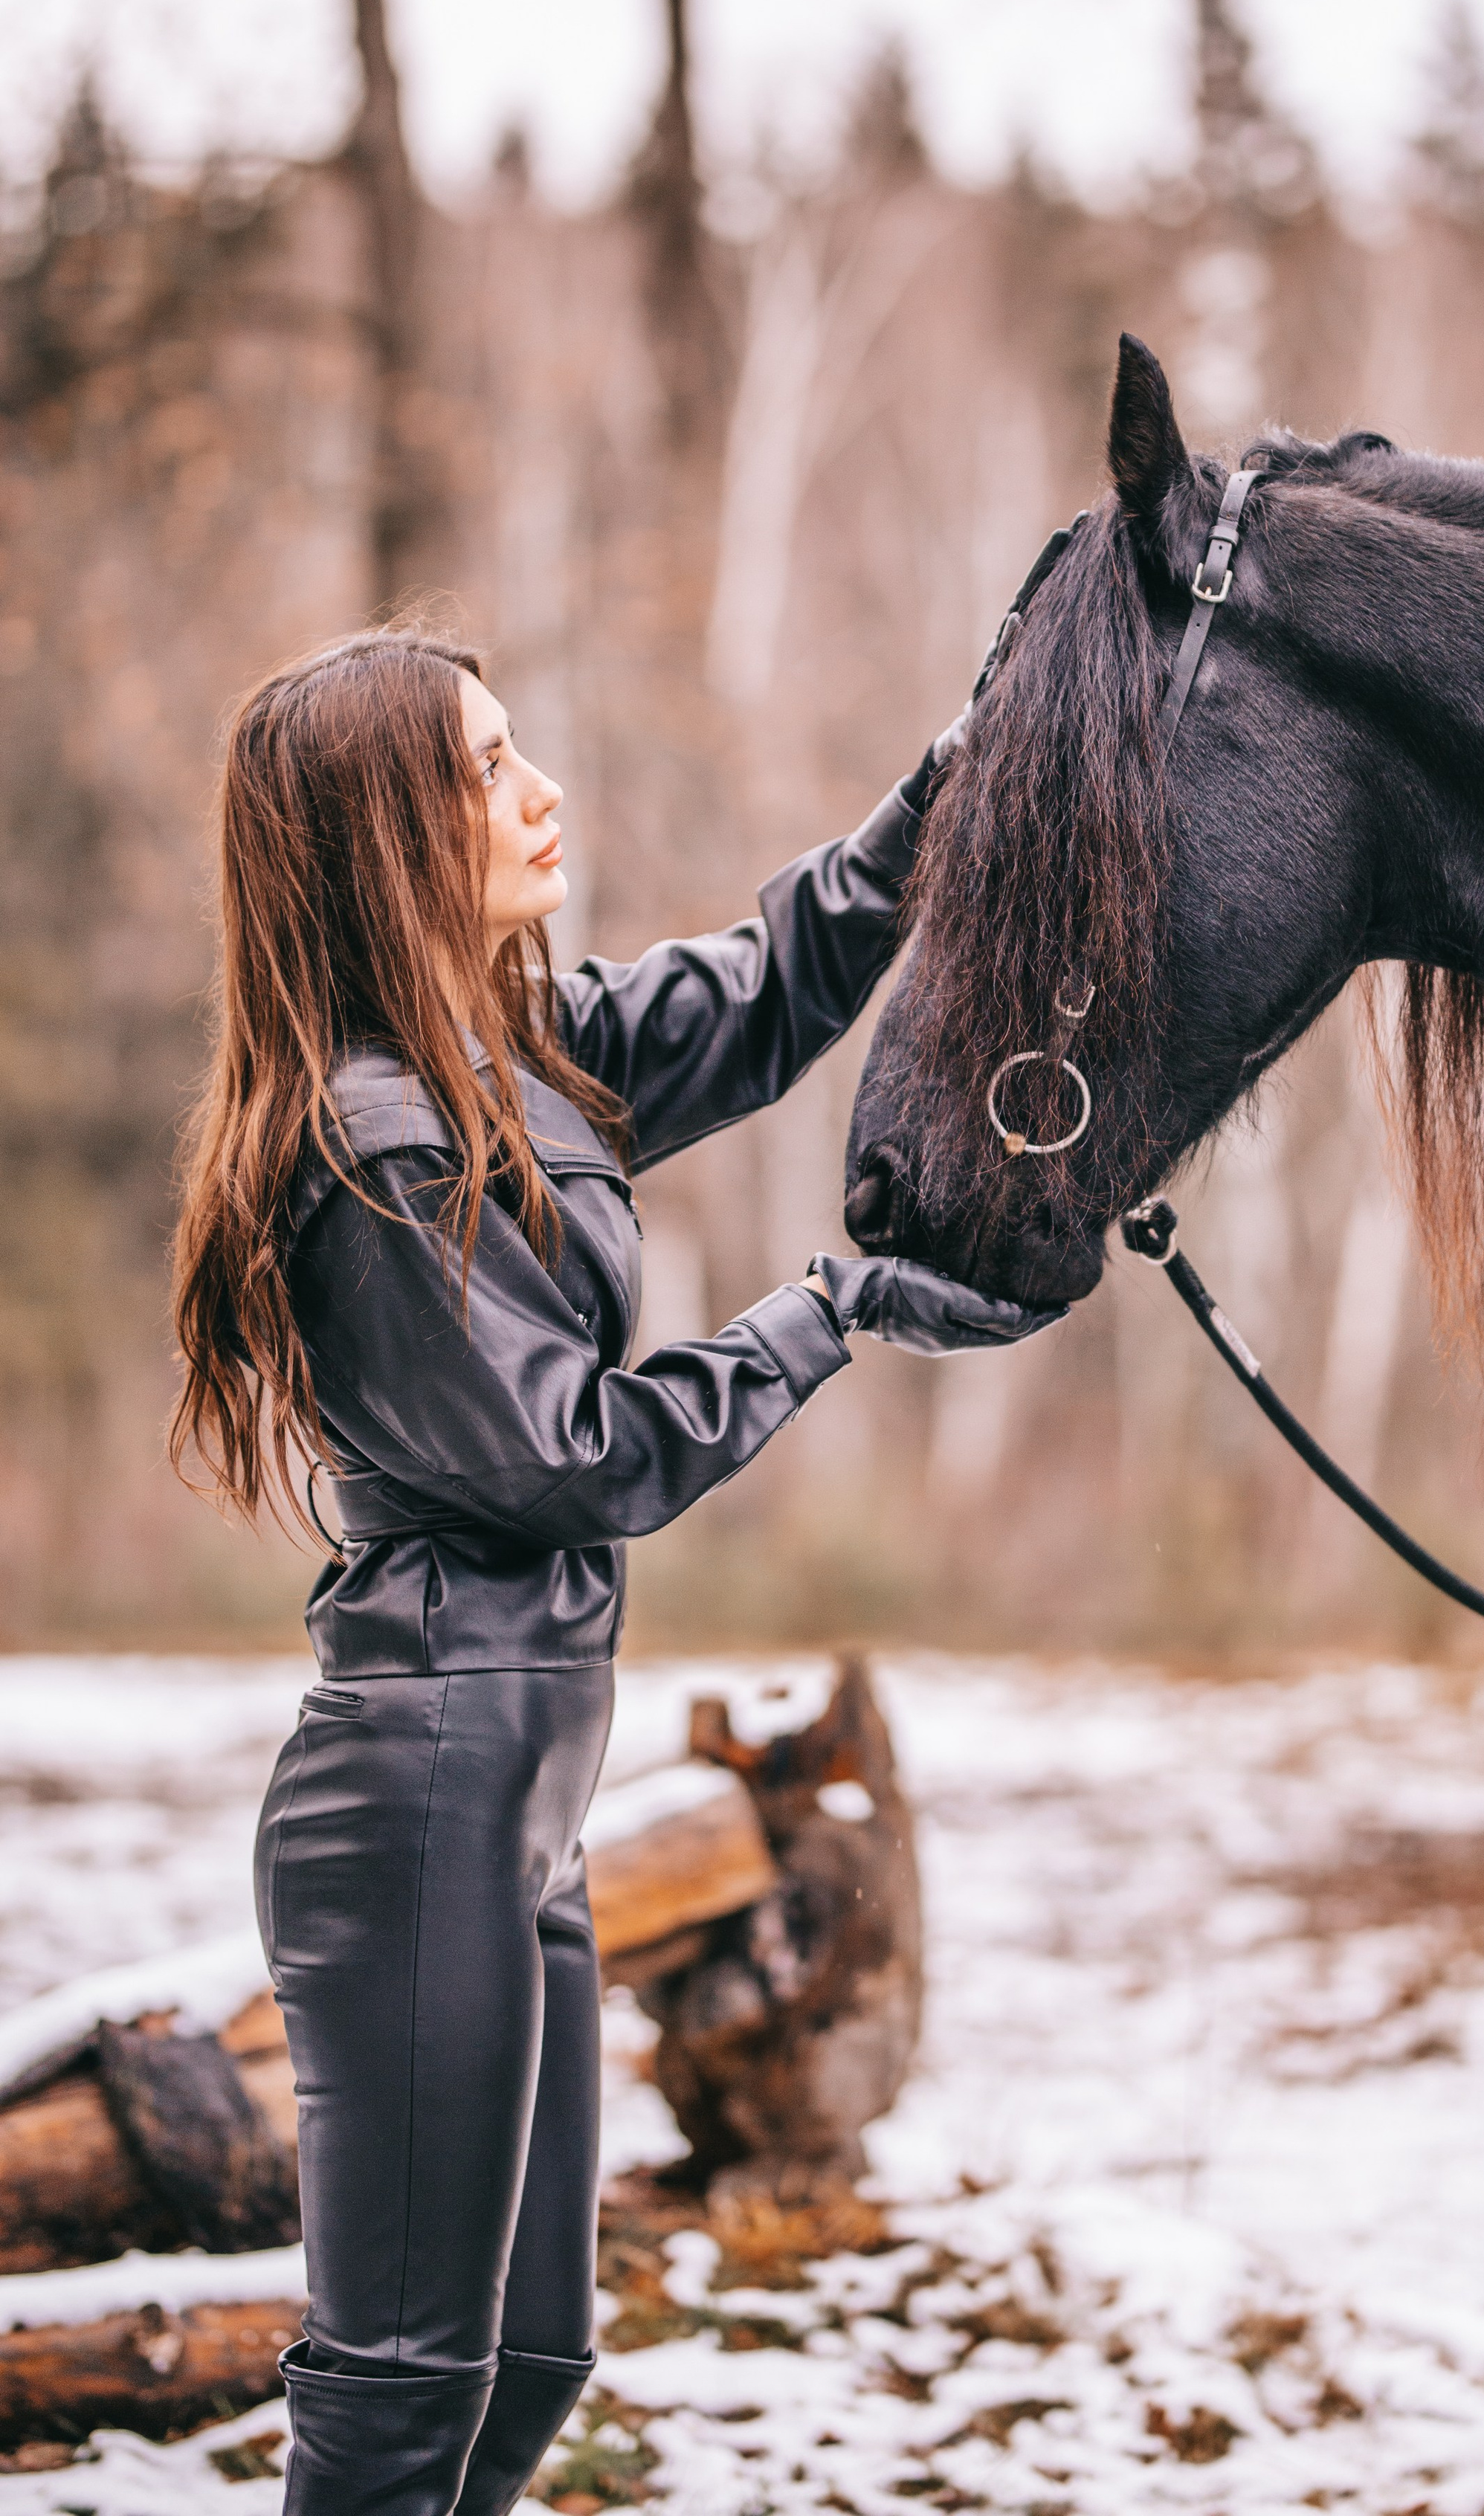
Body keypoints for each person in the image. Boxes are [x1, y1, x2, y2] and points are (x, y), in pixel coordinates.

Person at [169, 628, 1054, 2516]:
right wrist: (832, 1310)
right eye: (489, 771)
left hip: (517, 1803)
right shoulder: (374, 1140)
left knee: (535, 2355)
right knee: (403, 2389)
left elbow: (771, 983)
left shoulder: (511, 1063)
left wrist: (956, 775)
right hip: (416, 1791)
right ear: (390, 833)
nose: (539, 792)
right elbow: (574, 1458)